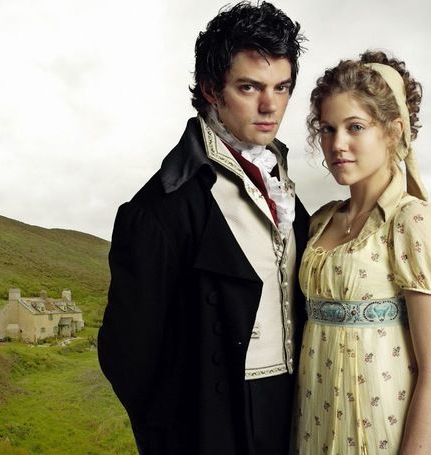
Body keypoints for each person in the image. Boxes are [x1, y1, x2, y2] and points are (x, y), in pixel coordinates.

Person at [97, 3, 308, 454]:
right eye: (249, 87)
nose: (270, 105)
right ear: (212, 89)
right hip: (216, 422)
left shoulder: (286, 189)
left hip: (297, 406)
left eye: (282, 87)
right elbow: (128, 357)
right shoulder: (159, 210)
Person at [294, 51, 431, 454]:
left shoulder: (413, 221)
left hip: (385, 429)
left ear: (393, 131)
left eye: (355, 127)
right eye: (327, 129)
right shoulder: (321, 222)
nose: (337, 144)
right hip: (318, 422)